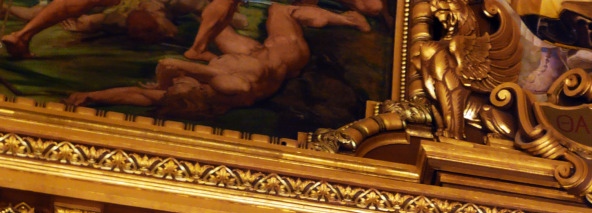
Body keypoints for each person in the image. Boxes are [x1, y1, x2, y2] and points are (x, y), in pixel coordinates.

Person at [64, 2, 369, 118]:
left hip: (242, 55)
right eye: (178, 87)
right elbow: (170, 65)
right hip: (283, 54)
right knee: (282, 10)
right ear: (195, 91)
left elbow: (138, 95)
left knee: (209, 12)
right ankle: (348, 20)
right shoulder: (225, 85)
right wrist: (168, 78)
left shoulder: (191, 93)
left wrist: (93, 95)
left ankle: (209, 31)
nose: (174, 86)